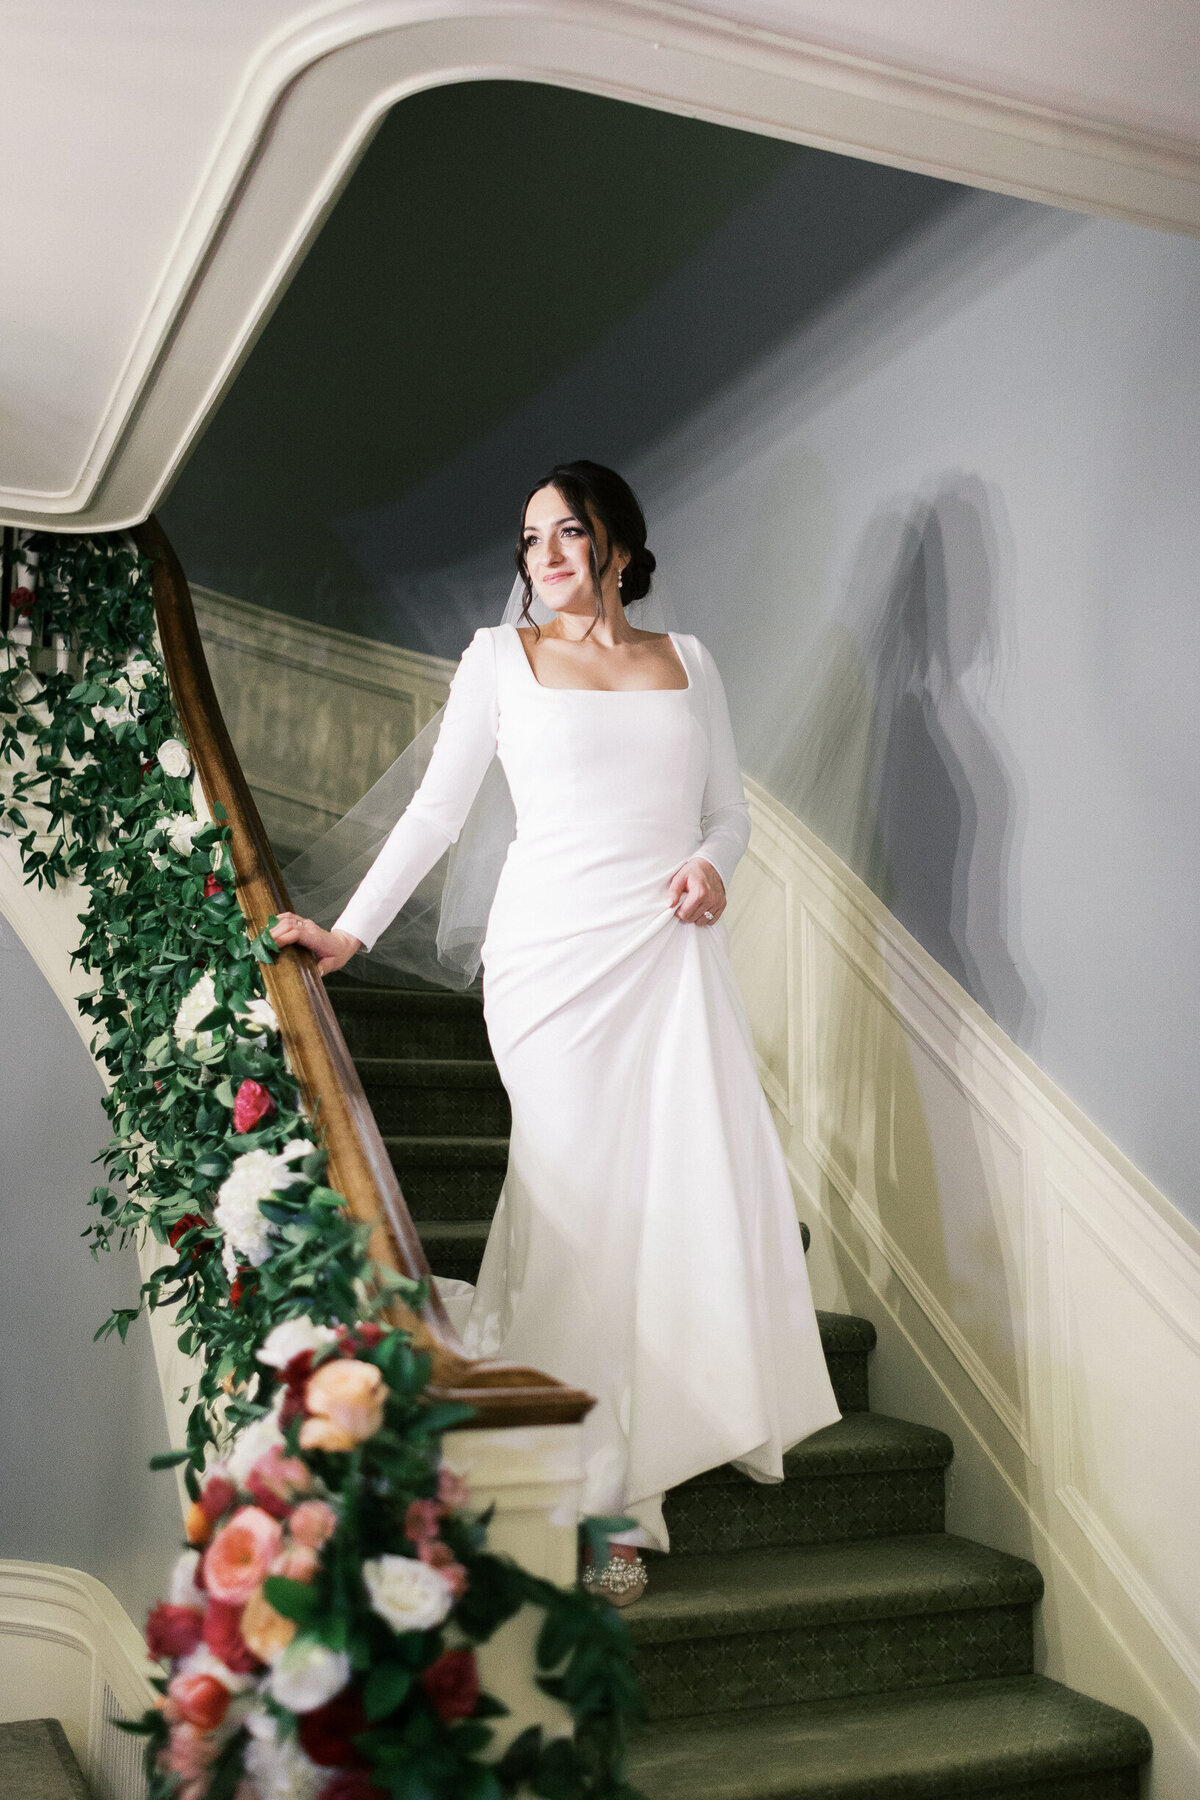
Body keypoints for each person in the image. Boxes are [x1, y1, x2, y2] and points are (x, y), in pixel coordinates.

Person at [272, 461, 841, 1604]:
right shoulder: (500, 662)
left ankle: (621, 1439)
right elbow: (438, 807)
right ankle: (598, 1495)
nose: (544, 554)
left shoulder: (691, 664)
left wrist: (709, 867)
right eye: (529, 538)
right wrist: (351, 935)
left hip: (666, 953)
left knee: (659, 1202)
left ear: (619, 546)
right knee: (578, 1194)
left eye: (567, 531)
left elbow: (726, 813)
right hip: (547, 966)